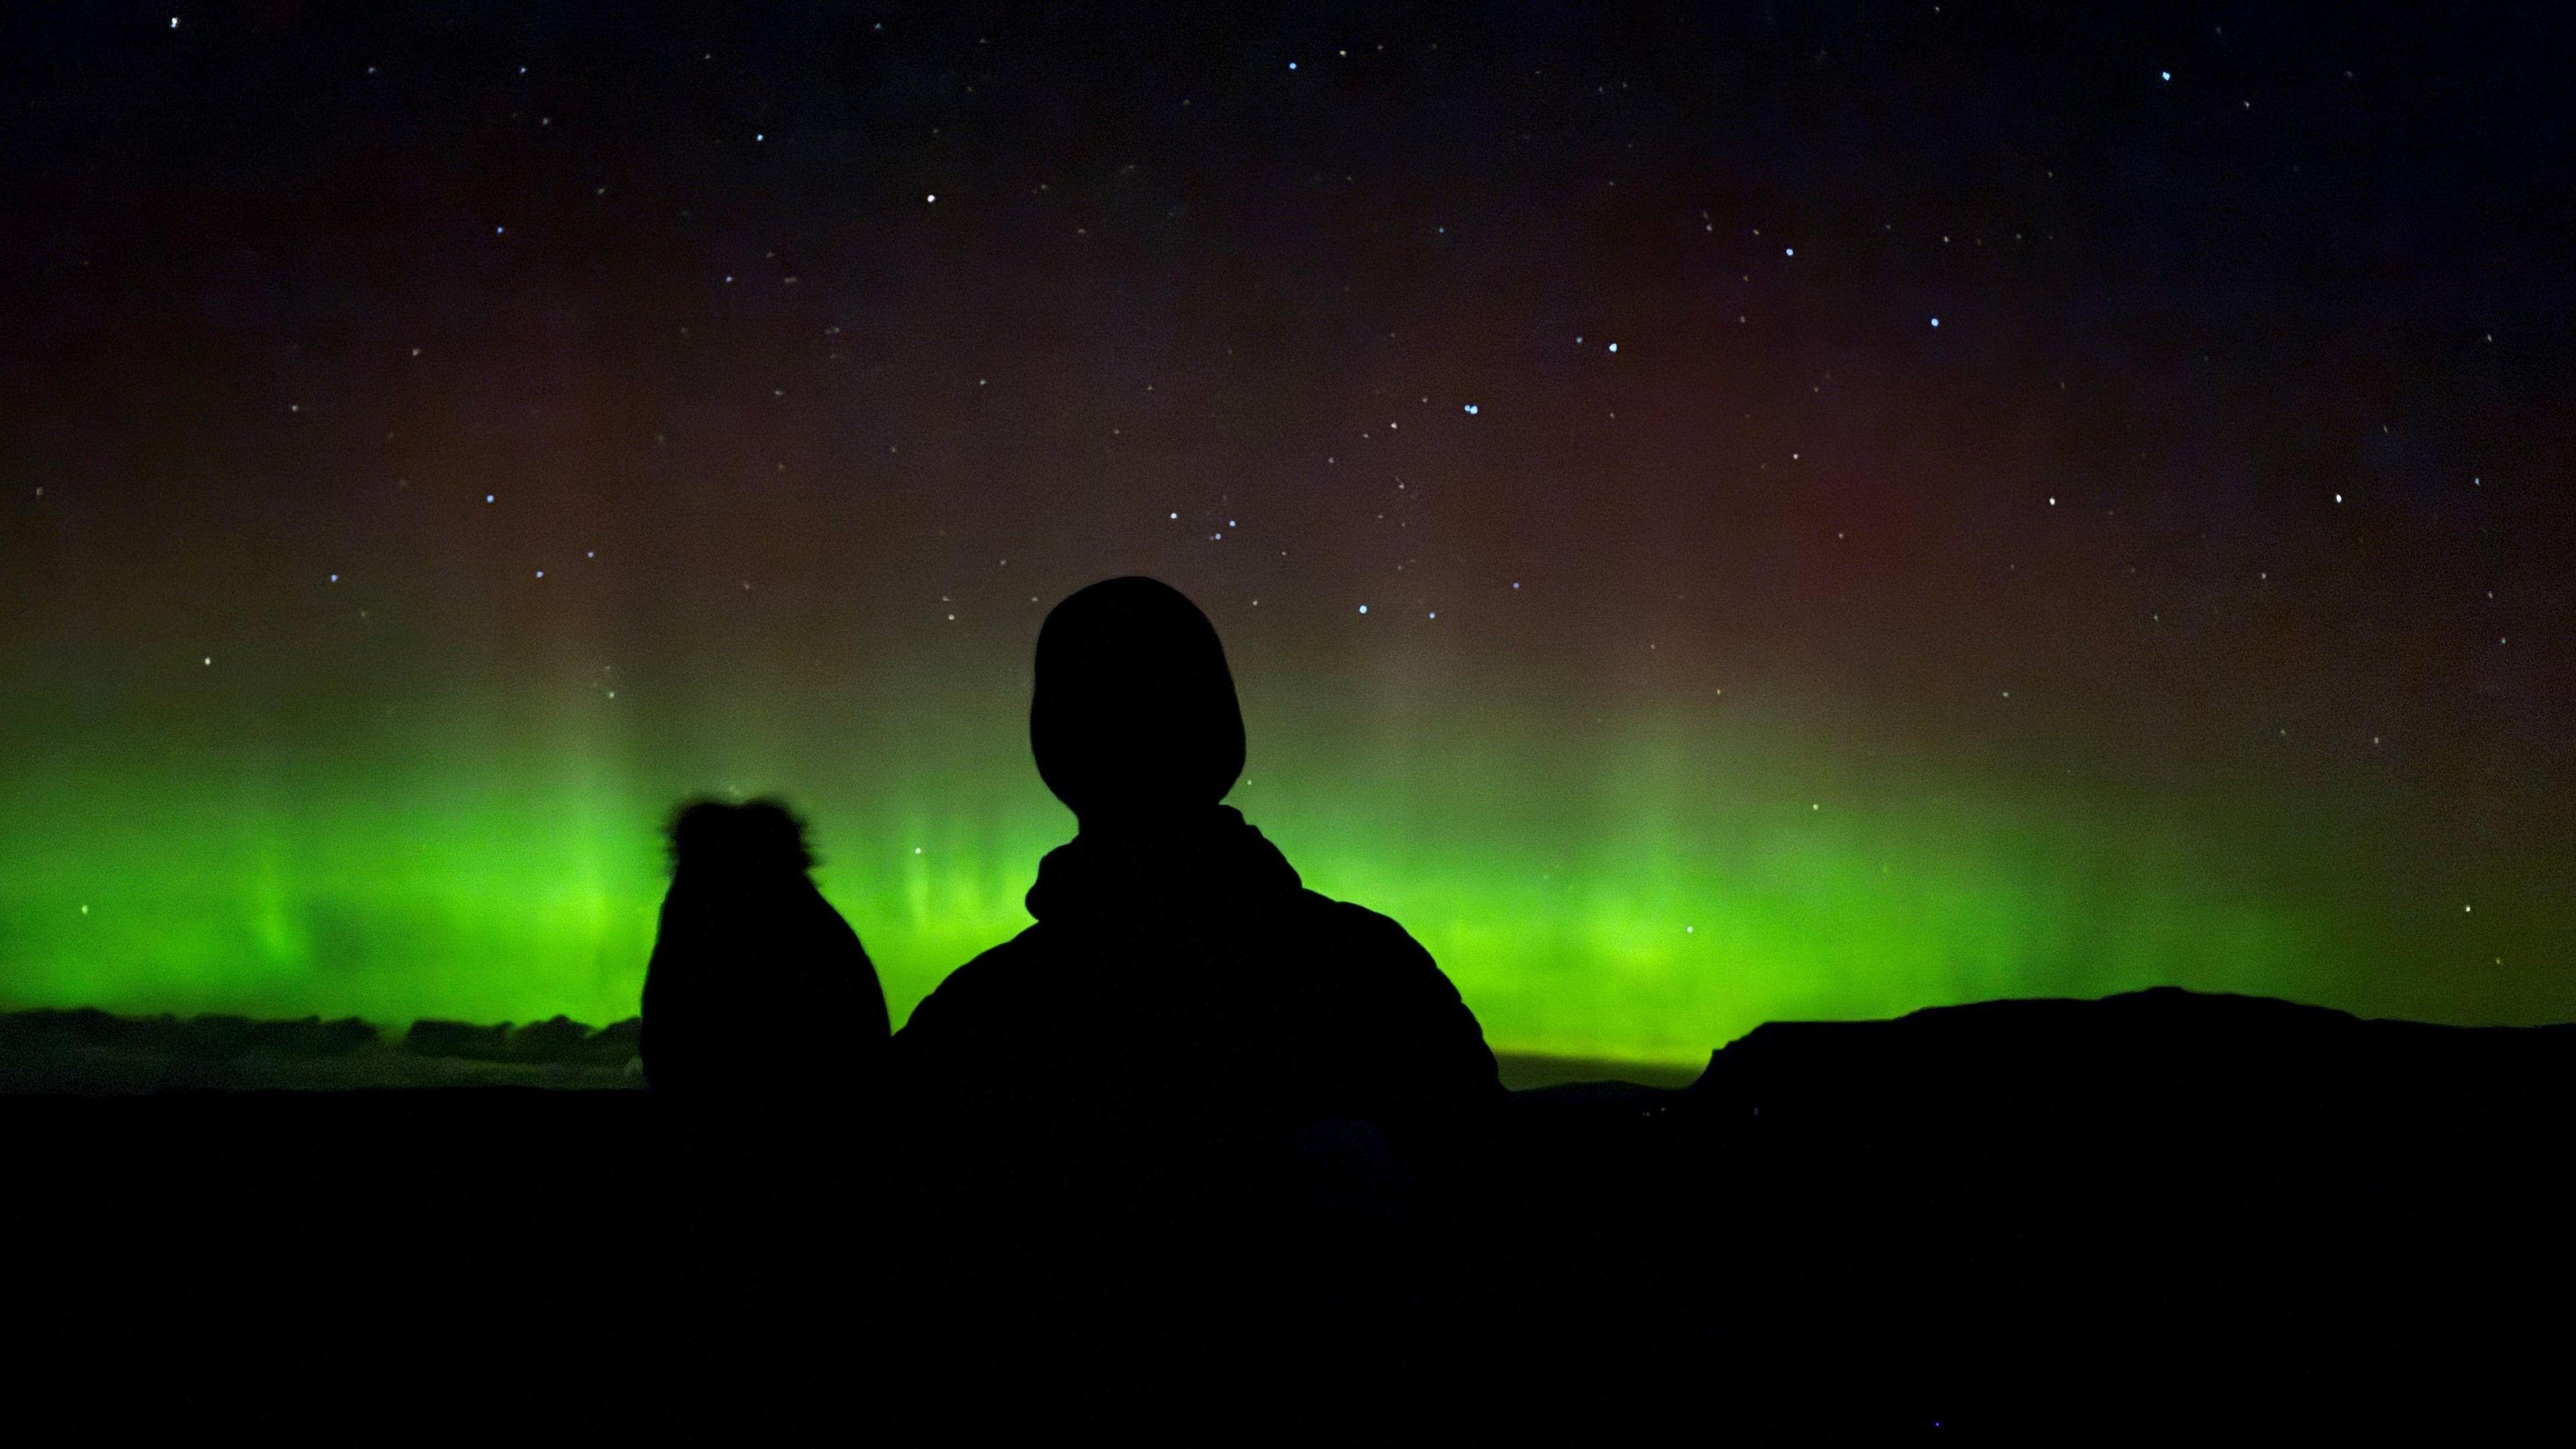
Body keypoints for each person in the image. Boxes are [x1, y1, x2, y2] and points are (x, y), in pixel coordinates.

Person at [890, 577, 1503, 1228]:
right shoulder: (1372, 971)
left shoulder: (986, 1022)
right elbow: (1482, 1182)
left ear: (1054, 748)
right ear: (1222, 732)